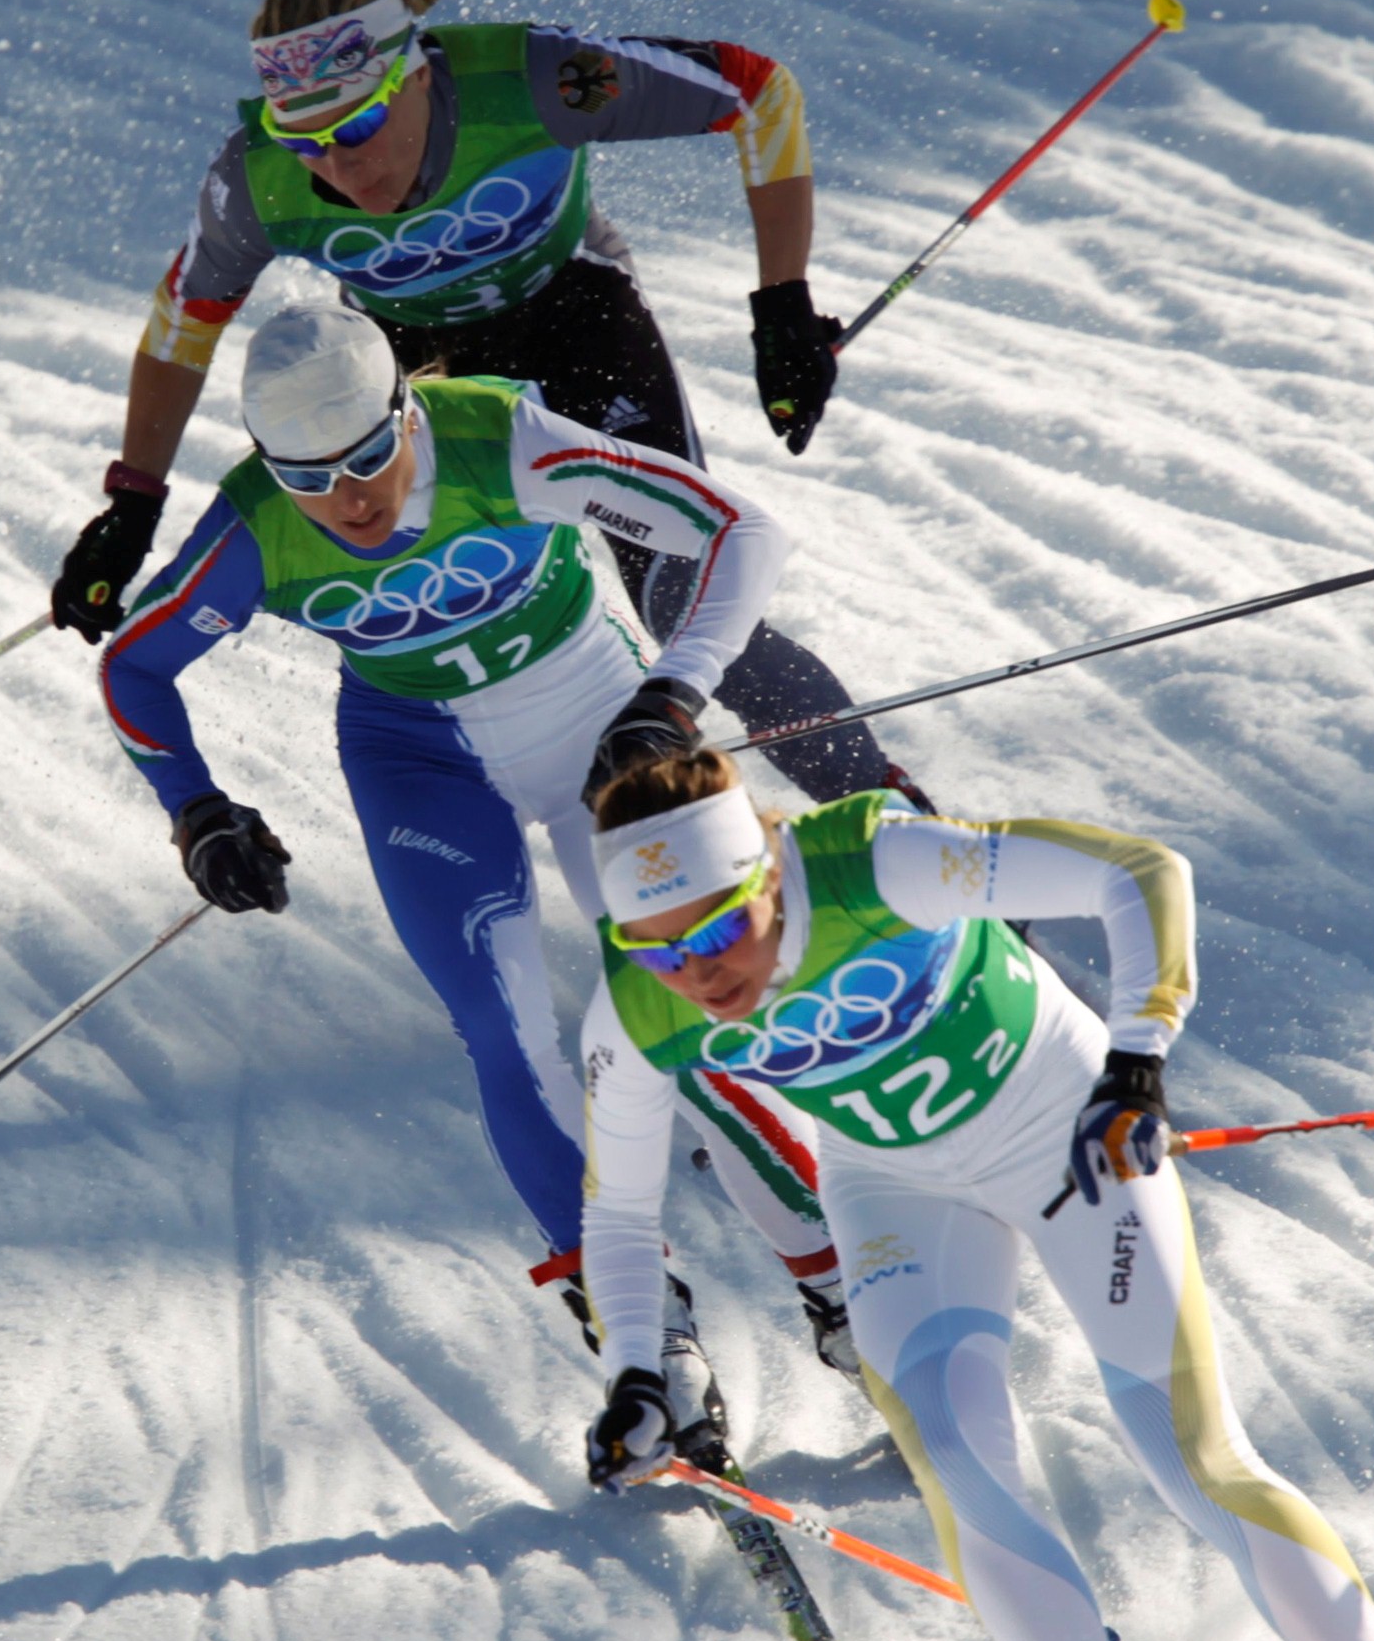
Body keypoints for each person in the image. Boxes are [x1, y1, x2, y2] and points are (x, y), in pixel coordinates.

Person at [569, 745, 1374, 1641]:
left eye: (716, 929)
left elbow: (1137, 873)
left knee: (1189, 1452)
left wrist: (1137, 1052)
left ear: (766, 868)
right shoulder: (638, 1003)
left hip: (1063, 1132)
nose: (697, 971)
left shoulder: (874, 864)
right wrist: (630, 1365)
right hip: (892, 1192)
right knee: (959, 1466)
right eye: (659, 946)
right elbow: (614, 1209)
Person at [101, 299, 855, 1387]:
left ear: (406, 412)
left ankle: (837, 1284)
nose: (349, 499)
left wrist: (671, 692)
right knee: (504, 1037)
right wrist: (197, 811)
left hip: (597, 720)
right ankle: (644, 1340)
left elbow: (744, 530)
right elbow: (133, 665)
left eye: (367, 456)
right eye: (311, 477)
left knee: (688, 989)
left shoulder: (497, 437)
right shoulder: (255, 522)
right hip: (420, 763)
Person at [52, 0, 907, 807]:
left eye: (360, 126)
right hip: (419, 370)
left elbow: (756, 89)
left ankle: (884, 813)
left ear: (417, 71)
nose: (341, 169)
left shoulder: (534, 79)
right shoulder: (256, 178)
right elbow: (182, 324)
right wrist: (133, 501)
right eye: (306, 144)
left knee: (682, 593)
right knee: (470, 603)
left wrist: (782, 307)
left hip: (575, 315)